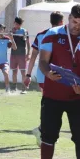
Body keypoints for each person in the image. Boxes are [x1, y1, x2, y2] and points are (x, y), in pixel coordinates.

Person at [29, 4, 80, 159]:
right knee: (48, 136)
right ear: (69, 18)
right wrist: (48, 73)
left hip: (78, 98)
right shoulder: (52, 34)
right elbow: (43, 61)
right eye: (75, 22)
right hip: (52, 96)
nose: (77, 26)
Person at [24, 11, 64, 147]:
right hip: (54, 75)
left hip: (42, 74)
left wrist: (28, 75)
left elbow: (33, 56)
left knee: (50, 104)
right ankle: (42, 131)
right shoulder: (62, 35)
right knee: (53, 105)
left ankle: (46, 133)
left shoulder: (41, 35)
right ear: (61, 22)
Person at [10, 17, 31, 94]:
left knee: (23, 72)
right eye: (15, 23)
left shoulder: (24, 31)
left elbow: (28, 43)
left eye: (17, 24)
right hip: (13, 54)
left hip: (22, 54)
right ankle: (14, 88)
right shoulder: (12, 31)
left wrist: (28, 53)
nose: (16, 25)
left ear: (20, 24)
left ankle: (24, 88)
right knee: (14, 72)